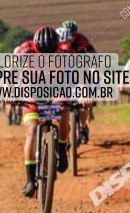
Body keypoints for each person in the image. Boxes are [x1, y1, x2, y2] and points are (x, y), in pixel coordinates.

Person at [18, 26, 72, 198]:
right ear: (35, 46)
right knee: (32, 129)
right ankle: (29, 180)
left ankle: (62, 149)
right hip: (31, 91)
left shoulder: (64, 54)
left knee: (64, 113)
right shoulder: (25, 50)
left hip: (55, 90)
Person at [58, 21, 95, 144]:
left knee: (84, 104)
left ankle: (83, 126)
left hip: (78, 76)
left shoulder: (81, 41)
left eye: (73, 36)